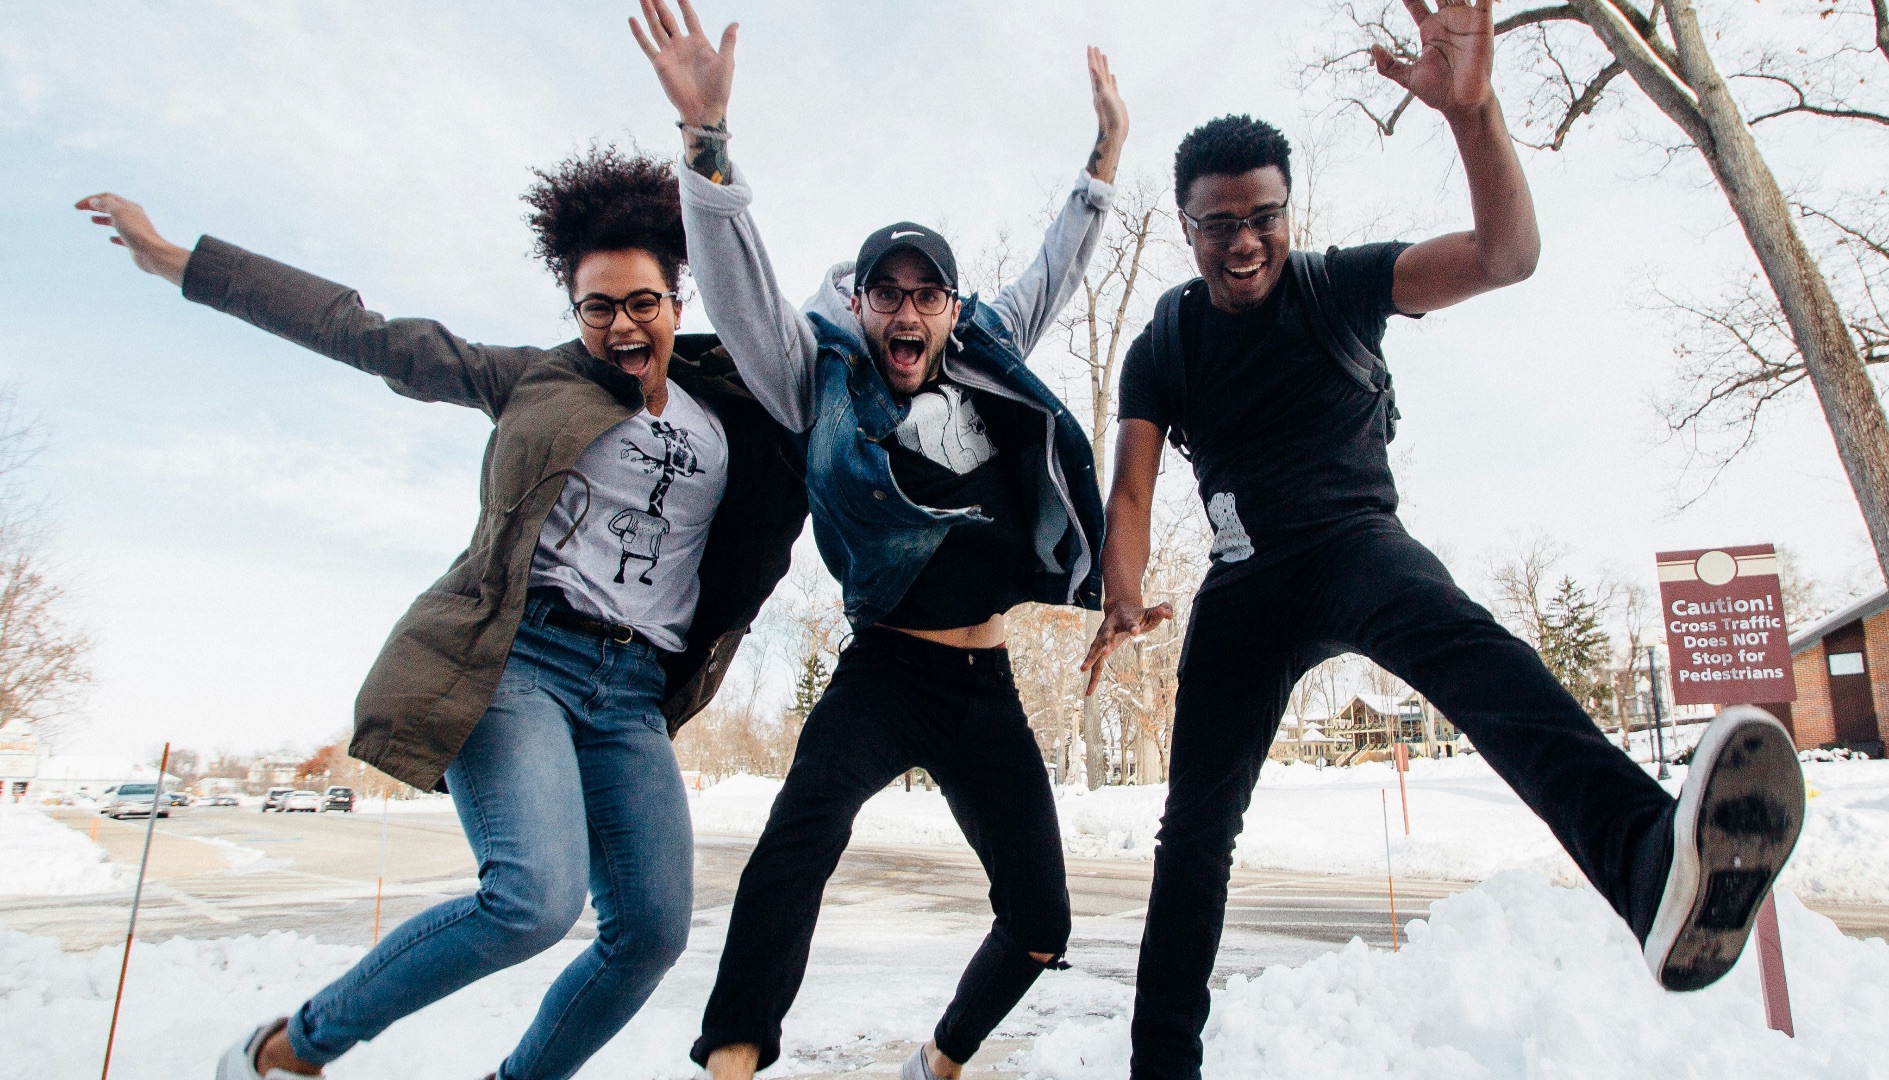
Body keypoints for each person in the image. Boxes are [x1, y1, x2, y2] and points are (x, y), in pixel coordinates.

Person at [1080, 2, 1806, 1078]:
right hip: (1244, 584)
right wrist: (1122, 589)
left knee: (1478, 656)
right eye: (1217, 223)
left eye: (1262, 216)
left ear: (1289, 208)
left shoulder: (1340, 286)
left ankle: (1652, 867)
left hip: (1355, 544)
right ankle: (1160, 1067)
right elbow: (1132, 487)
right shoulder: (1167, 342)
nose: (1243, 242)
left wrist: (1471, 116)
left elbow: (1506, 255)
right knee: (1193, 836)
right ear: (1186, 227)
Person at [79, 144, 808, 1080]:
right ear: (574, 313)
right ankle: (290, 1048)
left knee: (652, 934)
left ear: (677, 303)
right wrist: (183, 261)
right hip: (515, 665)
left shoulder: (733, 409)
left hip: (631, 694)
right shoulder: (537, 380)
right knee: (531, 902)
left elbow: (832, 385)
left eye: (642, 303)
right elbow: (364, 331)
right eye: (597, 307)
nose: (622, 326)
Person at [627, 2, 1126, 1077]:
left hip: (984, 686)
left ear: (949, 310)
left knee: (1042, 925)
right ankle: (732, 1057)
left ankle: (937, 1065)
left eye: (925, 297)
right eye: (885, 294)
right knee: (799, 840)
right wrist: (707, 150)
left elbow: (1053, 272)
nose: (906, 315)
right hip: (885, 669)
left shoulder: (985, 361)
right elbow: (739, 283)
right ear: (860, 304)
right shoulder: (819, 377)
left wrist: (1101, 163)